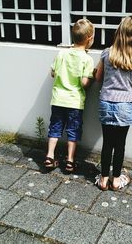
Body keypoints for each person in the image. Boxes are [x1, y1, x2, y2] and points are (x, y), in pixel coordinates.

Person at [94, 15, 132, 190]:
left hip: (106, 101)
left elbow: (98, 78)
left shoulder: (106, 53)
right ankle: (117, 180)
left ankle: (104, 179)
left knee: (107, 143)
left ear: (119, 32)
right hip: (125, 105)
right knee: (120, 145)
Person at [44, 19, 95, 173]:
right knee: (73, 131)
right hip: (74, 102)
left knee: (55, 127)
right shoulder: (87, 59)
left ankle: (49, 155)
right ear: (89, 38)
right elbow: (84, 83)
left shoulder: (62, 53)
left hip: (58, 99)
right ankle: (70, 161)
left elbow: (53, 73)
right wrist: (92, 77)